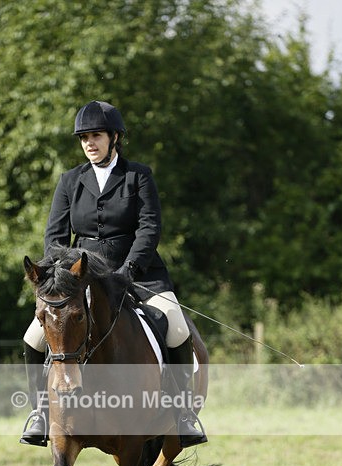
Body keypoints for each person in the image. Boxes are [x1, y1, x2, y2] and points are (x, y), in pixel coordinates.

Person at [20, 100, 207, 448]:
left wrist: (128, 270)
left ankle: (182, 414)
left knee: (177, 327)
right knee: (33, 337)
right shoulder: (70, 180)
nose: (90, 143)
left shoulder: (139, 175)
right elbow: (55, 237)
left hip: (138, 273)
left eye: (96, 136)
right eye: (84, 137)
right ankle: (40, 411)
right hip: (82, 277)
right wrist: (65, 273)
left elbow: (149, 229)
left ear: (114, 137)